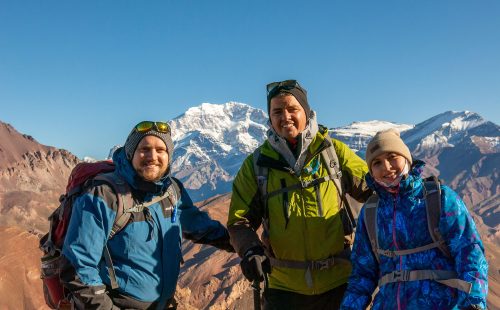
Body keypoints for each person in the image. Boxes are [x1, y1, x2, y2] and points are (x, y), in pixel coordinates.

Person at [227, 80, 372, 309]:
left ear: (306, 111)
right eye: (277, 111)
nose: (285, 117)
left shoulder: (333, 154)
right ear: (270, 117)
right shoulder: (257, 166)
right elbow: (239, 220)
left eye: (292, 109)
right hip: (283, 289)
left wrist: (411, 186)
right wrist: (250, 250)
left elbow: (376, 190)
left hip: (338, 284)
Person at [60, 121, 234, 309]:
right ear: (130, 153)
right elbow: (78, 267)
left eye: (161, 150)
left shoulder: (171, 191)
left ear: (169, 156)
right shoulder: (104, 195)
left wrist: (243, 245)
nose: (153, 156)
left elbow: (199, 226)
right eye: (144, 149)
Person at [340, 129, 488, 309]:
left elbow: (469, 253)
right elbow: (362, 274)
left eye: (392, 157)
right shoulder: (371, 212)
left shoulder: (441, 199)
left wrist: (473, 303)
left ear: (407, 159)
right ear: (371, 171)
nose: (386, 167)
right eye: (377, 163)